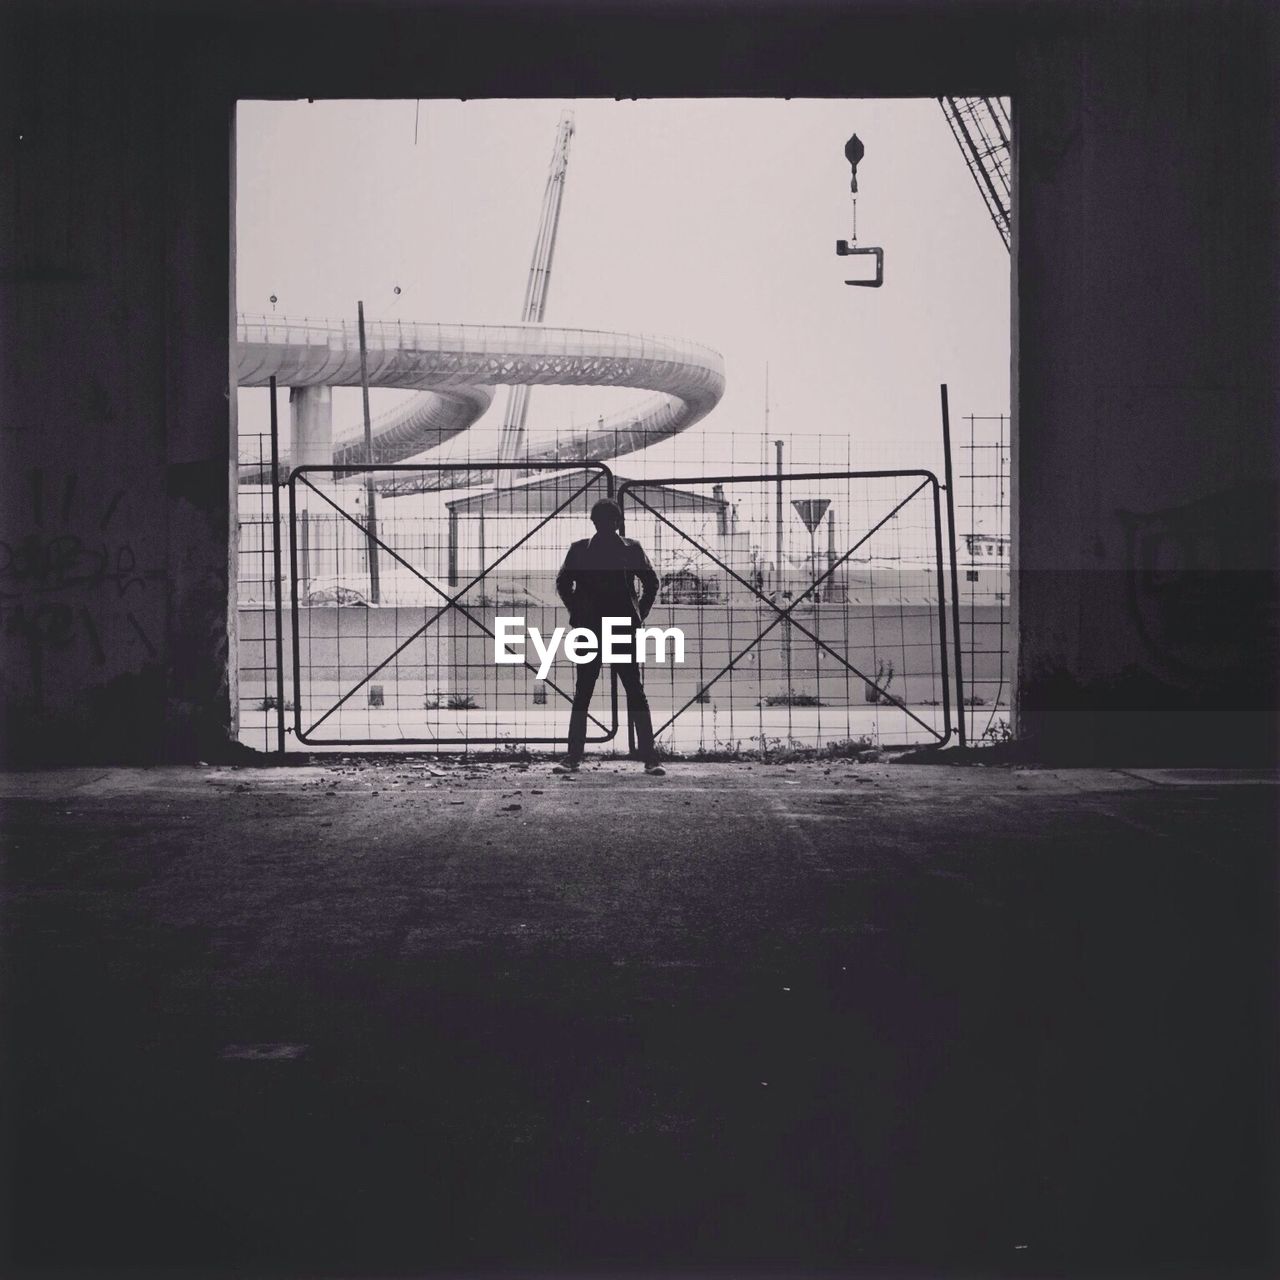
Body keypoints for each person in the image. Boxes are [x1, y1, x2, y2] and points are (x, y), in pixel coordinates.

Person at [553, 498, 665, 776]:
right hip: (618, 625)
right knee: (633, 692)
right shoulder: (630, 549)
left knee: (585, 693)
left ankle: (574, 756)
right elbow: (651, 583)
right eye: (603, 522)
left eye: (607, 522)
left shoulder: (581, 550)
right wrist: (639, 613)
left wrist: (577, 612)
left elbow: (563, 584)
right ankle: (649, 757)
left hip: (593, 627)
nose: (605, 527)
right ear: (615, 523)